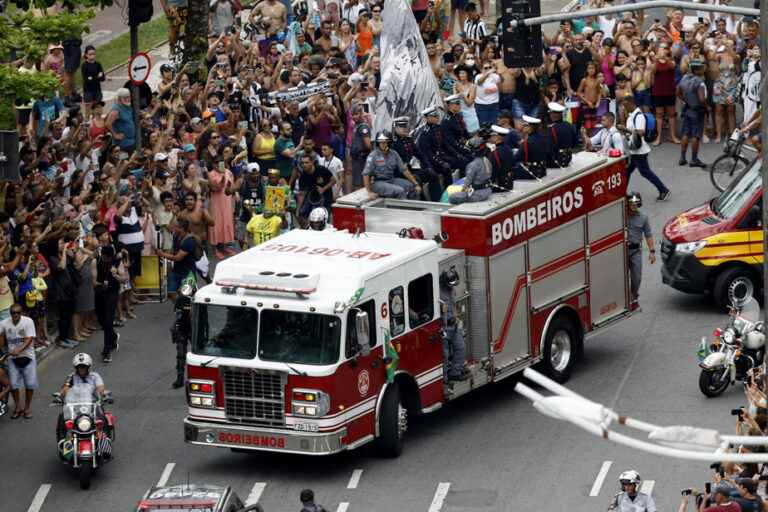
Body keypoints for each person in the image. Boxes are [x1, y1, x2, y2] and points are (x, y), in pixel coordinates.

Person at [620, 94, 670, 201]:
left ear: (631, 103)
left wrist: (626, 130)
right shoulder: (631, 115)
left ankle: (663, 190)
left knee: (645, 172)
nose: (624, 108)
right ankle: (622, 193)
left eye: (625, 105)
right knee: (627, 171)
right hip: (633, 150)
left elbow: (641, 132)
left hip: (639, 151)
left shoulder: (639, 116)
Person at [1, 304, 37, 420]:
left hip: (28, 357)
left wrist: (19, 350)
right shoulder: (5, 323)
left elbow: (29, 339)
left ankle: (27, 408)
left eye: (18, 313)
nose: (15, 315)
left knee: (30, 384)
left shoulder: (28, 322)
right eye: (13, 313)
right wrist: (2, 349)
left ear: (21, 313)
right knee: (14, 385)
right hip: (12, 359)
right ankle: (18, 407)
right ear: (10, 314)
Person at [93, 245, 126, 363]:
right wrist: (101, 284)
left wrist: (115, 275)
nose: (106, 260)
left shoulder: (117, 262)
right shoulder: (96, 261)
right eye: (105, 258)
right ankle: (113, 336)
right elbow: (94, 280)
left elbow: (124, 279)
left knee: (108, 321)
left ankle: (106, 352)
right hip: (100, 293)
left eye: (108, 258)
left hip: (112, 293)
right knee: (102, 321)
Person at [363, 133, 421, 199]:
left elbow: (404, 170)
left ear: (389, 143)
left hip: (391, 179)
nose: (382, 144)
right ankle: (400, 209)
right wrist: (369, 192)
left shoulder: (394, 154)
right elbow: (366, 174)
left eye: (385, 142)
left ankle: (413, 208)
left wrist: (415, 183)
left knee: (411, 187)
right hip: (377, 183)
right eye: (380, 142)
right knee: (400, 191)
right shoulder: (373, 155)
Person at [158, 219, 200, 302]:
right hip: (176, 271)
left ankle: (186, 311)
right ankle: (180, 308)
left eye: (175, 227)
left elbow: (178, 258)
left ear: (181, 229)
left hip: (188, 273)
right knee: (171, 293)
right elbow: (173, 250)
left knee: (186, 297)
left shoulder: (189, 241)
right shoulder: (176, 236)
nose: (173, 228)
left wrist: (163, 254)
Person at [677, 60, 708, 168]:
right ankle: (694, 159)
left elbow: (678, 92)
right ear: (697, 69)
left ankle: (682, 157)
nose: (704, 68)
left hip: (687, 109)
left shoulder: (684, 78)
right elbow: (702, 99)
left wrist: (686, 101)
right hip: (697, 111)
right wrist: (706, 108)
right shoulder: (699, 82)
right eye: (702, 67)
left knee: (686, 133)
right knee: (696, 135)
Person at [626, 192, 655, 305]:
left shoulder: (643, 218)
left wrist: (652, 252)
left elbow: (648, 235)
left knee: (636, 277)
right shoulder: (621, 216)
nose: (633, 207)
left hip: (635, 252)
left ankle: (633, 295)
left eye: (636, 204)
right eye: (631, 204)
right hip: (621, 252)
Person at [440, 267, 466, 382]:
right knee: (444, 356)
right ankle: (444, 379)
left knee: (460, 347)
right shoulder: (437, 292)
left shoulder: (451, 290)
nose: (452, 287)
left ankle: (455, 372)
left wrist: (457, 318)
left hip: (453, 325)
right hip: (443, 328)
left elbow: (453, 304)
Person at [448, 138, 493, 204]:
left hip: (478, 194)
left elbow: (467, 183)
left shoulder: (472, 165)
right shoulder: (487, 160)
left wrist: (462, 192)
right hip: (488, 190)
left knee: (452, 197)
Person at [440, 94, 473, 172]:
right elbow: (450, 142)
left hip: (461, 145)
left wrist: (472, 142)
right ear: (450, 105)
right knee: (467, 160)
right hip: (452, 150)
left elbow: (465, 132)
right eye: (457, 104)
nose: (459, 106)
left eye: (459, 103)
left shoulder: (457, 116)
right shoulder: (446, 121)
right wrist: (464, 149)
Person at [512, 116, 548, 180]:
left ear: (530, 127)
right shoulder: (542, 138)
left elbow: (516, 158)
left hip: (532, 172)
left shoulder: (527, 142)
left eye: (525, 125)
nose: (523, 127)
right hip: (542, 170)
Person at [546, 102, 577, 168]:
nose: (550, 115)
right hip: (567, 158)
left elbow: (549, 149)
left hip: (555, 162)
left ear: (553, 114)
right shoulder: (569, 125)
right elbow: (574, 143)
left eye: (551, 113)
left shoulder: (551, 129)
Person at [106, 88, 137, 152]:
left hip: (131, 142)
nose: (128, 99)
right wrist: (115, 135)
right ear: (119, 98)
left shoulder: (127, 106)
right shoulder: (116, 110)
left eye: (128, 97)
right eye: (125, 98)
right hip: (123, 144)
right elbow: (107, 124)